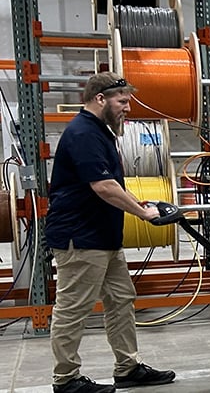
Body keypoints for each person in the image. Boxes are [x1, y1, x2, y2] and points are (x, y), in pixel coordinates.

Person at [45, 72, 176, 393]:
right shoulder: (83, 133)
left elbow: (113, 184)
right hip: (80, 238)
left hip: (103, 236)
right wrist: (143, 213)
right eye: (122, 101)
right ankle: (66, 380)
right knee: (73, 308)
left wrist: (140, 202)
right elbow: (103, 186)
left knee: (121, 299)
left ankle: (128, 367)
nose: (127, 108)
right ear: (100, 99)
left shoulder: (100, 132)